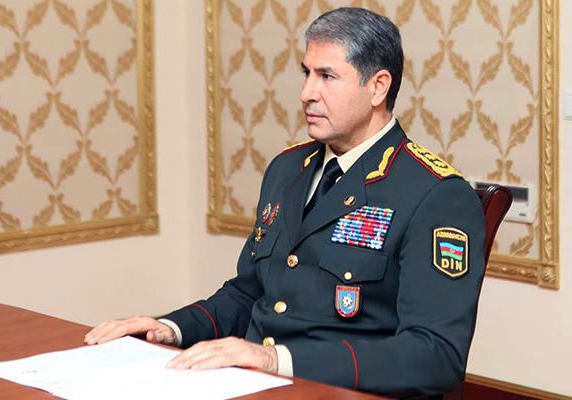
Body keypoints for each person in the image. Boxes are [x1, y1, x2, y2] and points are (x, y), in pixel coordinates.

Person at [85, 7, 485, 398]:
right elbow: (247, 293)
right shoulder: (288, 169)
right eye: (306, 73)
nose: (306, 93)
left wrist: (277, 359)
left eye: (327, 76)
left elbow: (435, 356)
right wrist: (169, 328)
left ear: (378, 87)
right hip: (253, 384)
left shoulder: (435, 193)